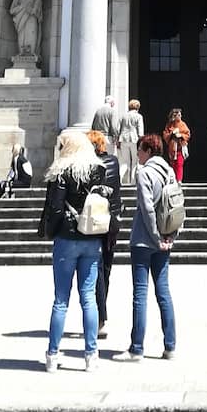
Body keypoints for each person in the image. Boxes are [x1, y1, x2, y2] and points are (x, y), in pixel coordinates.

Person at [39, 130, 107, 372]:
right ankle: (91, 355)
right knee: (88, 298)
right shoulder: (98, 170)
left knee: (61, 299)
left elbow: (56, 208)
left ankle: (52, 354)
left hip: (67, 238)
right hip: (92, 236)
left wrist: (50, 231)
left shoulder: (62, 171)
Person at [113, 134, 178, 362]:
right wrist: (170, 236)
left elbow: (147, 208)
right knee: (163, 292)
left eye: (140, 150)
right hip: (164, 241)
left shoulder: (144, 173)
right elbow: (177, 206)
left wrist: (155, 236)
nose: (137, 154)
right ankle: (170, 346)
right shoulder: (169, 172)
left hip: (143, 240)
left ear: (149, 151)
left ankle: (137, 348)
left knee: (140, 294)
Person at [86, 129, 122, 337]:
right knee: (106, 268)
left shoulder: (89, 165)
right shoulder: (114, 162)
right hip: (112, 221)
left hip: (96, 220)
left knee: (97, 269)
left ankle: (100, 317)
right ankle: (101, 312)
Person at [117, 100, 144, 185]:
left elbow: (118, 129)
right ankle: (132, 181)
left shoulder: (123, 115)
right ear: (137, 107)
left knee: (125, 162)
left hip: (123, 139)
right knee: (135, 162)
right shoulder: (138, 116)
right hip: (134, 139)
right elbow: (140, 131)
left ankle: (120, 179)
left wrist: (117, 140)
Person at [162, 108, 191, 183]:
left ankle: (179, 180)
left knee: (179, 164)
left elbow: (187, 134)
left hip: (180, 148)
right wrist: (172, 133)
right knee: (173, 165)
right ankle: (173, 180)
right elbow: (165, 135)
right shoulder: (169, 125)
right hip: (172, 148)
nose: (179, 116)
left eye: (180, 115)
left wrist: (180, 135)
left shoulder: (183, 124)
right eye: (178, 115)